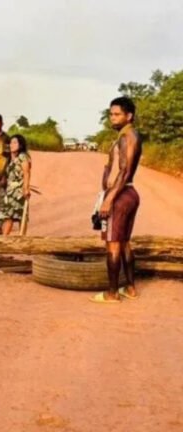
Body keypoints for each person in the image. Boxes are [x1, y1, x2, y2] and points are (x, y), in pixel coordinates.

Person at [91, 96, 143, 304]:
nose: (112, 117)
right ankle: (130, 288)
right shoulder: (128, 135)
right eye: (111, 114)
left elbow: (125, 170)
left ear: (128, 116)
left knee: (112, 245)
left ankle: (112, 293)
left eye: (117, 114)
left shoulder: (127, 136)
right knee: (124, 244)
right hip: (128, 193)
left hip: (120, 196)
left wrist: (109, 199)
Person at [0, 134, 32, 235]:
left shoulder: (23, 157)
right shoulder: (11, 158)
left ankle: (21, 238)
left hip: (19, 191)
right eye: (11, 143)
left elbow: (26, 172)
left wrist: (26, 188)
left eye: (15, 142)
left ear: (20, 145)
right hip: (10, 191)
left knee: (19, 215)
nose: (12, 145)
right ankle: (5, 238)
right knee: (8, 216)